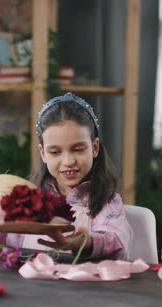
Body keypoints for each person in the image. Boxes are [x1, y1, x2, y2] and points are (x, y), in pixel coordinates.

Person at [28, 92, 132, 260]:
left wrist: (88, 242)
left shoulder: (107, 202)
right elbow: (5, 235)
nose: (68, 161)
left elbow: (118, 240)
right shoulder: (30, 200)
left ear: (95, 148)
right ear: (43, 153)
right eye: (55, 152)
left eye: (78, 149)